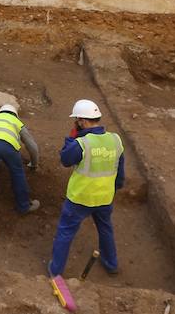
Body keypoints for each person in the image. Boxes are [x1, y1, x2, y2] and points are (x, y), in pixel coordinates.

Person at [48, 99, 126, 278]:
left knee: (65, 231)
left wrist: (71, 138)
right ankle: (111, 263)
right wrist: (116, 187)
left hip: (80, 198)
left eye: (76, 120)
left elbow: (65, 160)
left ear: (82, 121)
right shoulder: (115, 140)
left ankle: (56, 270)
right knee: (105, 228)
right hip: (105, 197)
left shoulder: (82, 144)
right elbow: (120, 172)